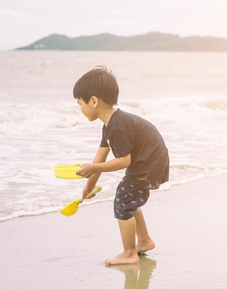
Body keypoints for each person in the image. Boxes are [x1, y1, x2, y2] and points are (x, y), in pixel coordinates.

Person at [74, 66, 169, 265]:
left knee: (123, 200)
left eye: (79, 103)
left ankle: (129, 253)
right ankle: (144, 241)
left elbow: (124, 161)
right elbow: (99, 158)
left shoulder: (117, 125)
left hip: (149, 163)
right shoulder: (110, 125)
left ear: (93, 101)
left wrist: (92, 169)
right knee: (129, 198)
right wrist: (89, 185)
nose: (80, 109)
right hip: (151, 161)